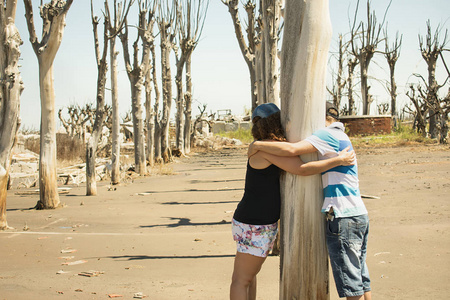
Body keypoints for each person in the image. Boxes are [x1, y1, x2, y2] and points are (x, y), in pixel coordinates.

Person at [230, 103, 356, 300]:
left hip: (253, 221)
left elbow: (290, 153)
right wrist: (337, 160)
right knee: (242, 279)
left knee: (248, 278)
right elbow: (302, 169)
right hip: (254, 223)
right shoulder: (264, 150)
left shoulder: (263, 146)